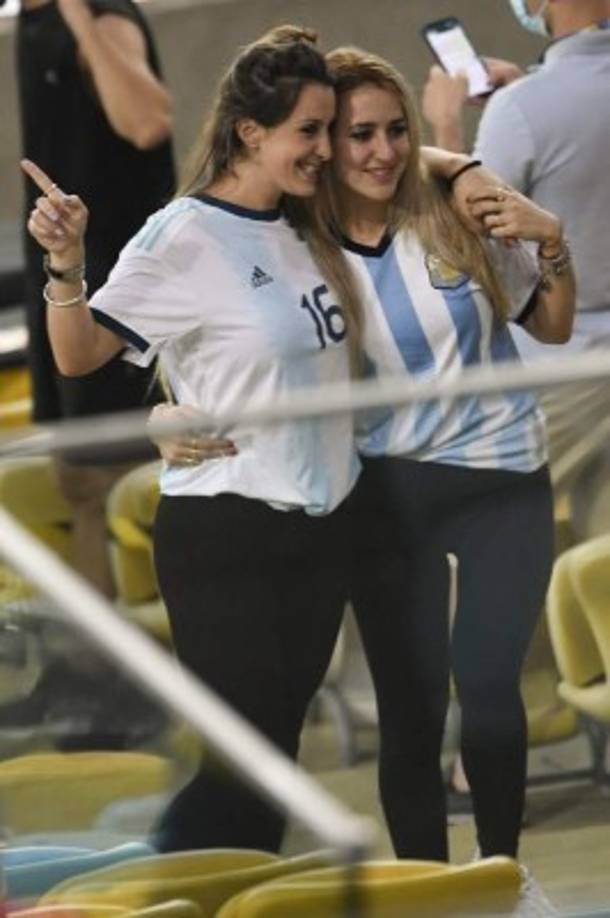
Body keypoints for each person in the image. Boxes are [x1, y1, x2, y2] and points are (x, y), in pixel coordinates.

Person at [21, 30, 367, 854]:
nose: (324, 149)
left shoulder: (305, 223)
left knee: (273, 758)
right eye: (308, 131)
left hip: (320, 530)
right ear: (250, 131)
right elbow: (81, 356)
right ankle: (125, 884)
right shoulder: (183, 235)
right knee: (243, 768)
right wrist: (66, 264)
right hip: (228, 528)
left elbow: (405, 170)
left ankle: (199, 885)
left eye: (329, 130)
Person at [422, 0, 610, 538]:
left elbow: (464, 248)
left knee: (515, 550)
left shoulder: (523, 110)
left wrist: (446, 129)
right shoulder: (526, 100)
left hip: (558, 381)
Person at [16, 0, 175, 597]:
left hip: (117, 314)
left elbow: (148, 122)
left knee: (118, 487)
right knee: (81, 484)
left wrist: (79, 15)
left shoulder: (101, 15)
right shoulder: (34, 21)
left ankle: (139, 653)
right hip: (65, 295)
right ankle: (103, 653)